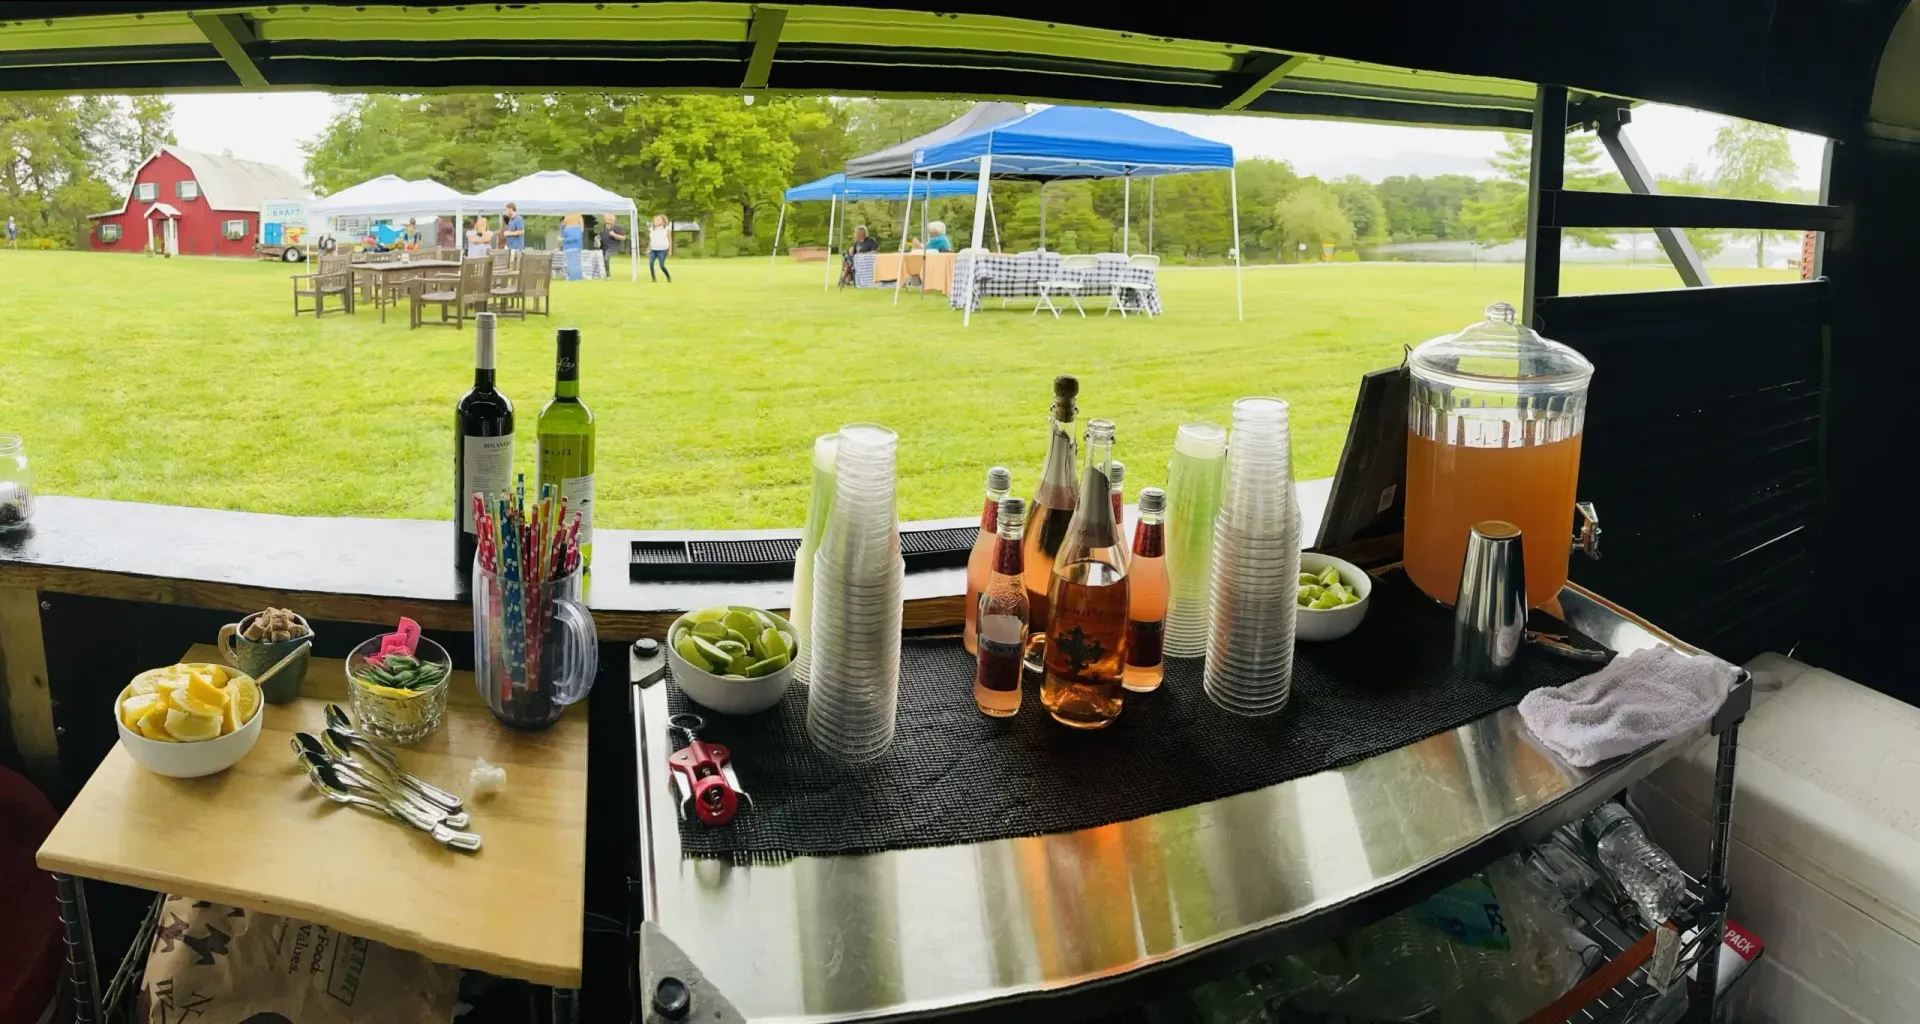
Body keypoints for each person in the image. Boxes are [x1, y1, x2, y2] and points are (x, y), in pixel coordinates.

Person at [647, 214, 673, 283]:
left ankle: (668, 277)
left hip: (663, 249)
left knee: (661, 265)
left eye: (658, 220)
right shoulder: (651, 229)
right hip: (653, 249)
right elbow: (651, 239)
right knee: (651, 264)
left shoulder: (666, 228)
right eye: (655, 220)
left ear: (663, 221)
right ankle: (653, 278)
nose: (656, 221)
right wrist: (648, 248)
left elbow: (670, 240)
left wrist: (670, 250)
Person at [560, 213, 585, 281]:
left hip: (573, 247)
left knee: (573, 263)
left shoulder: (575, 228)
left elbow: (576, 237)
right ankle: (572, 277)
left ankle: (574, 277)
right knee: (569, 263)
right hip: (568, 247)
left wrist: (563, 239)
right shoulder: (566, 228)